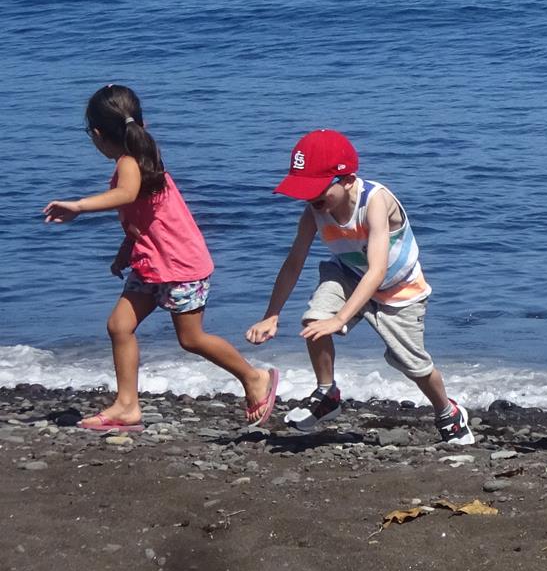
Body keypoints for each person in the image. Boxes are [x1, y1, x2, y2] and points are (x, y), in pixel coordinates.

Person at [40, 84, 279, 432]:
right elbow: (144, 215)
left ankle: (254, 377)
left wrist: (78, 206)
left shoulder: (129, 163)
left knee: (191, 339)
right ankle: (126, 406)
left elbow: (126, 194)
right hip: (151, 263)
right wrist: (125, 250)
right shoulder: (143, 157)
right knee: (119, 326)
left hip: (180, 267)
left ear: (95, 134)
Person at [247, 129, 473, 445]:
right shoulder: (315, 210)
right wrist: (271, 314)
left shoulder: (376, 201)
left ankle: (447, 411)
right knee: (315, 321)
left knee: (413, 364)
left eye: (317, 191)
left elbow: (378, 269)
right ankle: (327, 394)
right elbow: (294, 261)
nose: (312, 200)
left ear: (347, 180)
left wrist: (340, 320)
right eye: (306, 193)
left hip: (399, 289)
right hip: (348, 274)